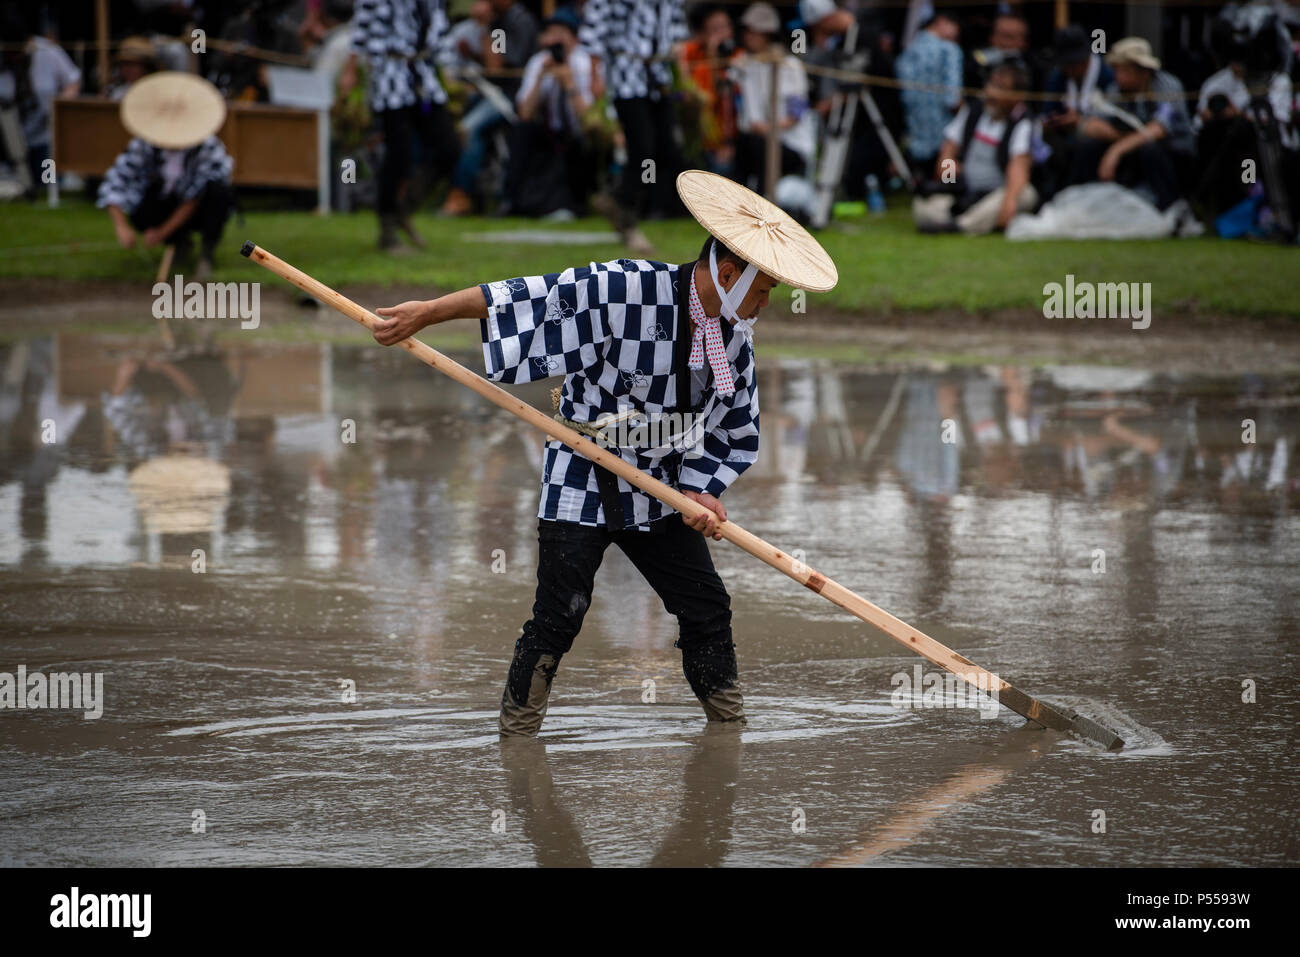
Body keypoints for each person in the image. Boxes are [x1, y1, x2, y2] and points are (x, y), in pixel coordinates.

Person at [367, 170, 839, 736]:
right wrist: (429, 312)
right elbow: (524, 297)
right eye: (763, 290)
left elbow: (732, 427)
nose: (766, 304)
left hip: (663, 489)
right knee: (558, 617)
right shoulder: (626, 287)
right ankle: (517, 735)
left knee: (707, 608)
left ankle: (729, 728)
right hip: (583, 474)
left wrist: (703, 490)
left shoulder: (734, 334)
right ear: (731, 274)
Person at [340, 0, 461, 249]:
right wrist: (350, 69)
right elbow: (361, 27)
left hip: (424, 75)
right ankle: (387, 230)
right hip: (390, 75)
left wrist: (450, 68)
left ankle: (403, 207)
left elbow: (438, 26)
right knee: (398, 155)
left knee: (449, 148)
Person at [97, 73, 234, 279]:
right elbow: (116, 181)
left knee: (218, 192)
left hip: (197, 211)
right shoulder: (145, 145)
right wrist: (121, 227)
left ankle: (206, 253)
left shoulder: (208, 147)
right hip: (163, 204)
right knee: (140, 204)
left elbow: (194, 197)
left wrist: (162, 232)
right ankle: (179, 244)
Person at [580, 0, 690, 256]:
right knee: (642, 149)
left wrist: (682, 75)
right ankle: (626, 212)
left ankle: (619, 200)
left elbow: (675, 31)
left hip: (660, 74)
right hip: (626, 75)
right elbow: (594, 28)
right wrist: (595, 74)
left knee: (669, 148)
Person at [1069, 37, 1194, 211]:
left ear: (1142, 71)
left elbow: (1159, 129)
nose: (1118, 76)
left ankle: (1169, 207)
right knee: (1088, 145)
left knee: (1150, 148)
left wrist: (1117, 150)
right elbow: (1089, 125)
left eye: (1124, 70)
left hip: (1174, 155)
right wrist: (1122, 140)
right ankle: (1084, 204)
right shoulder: (1115, 90)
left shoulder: (1167, 86)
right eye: (1117, 70)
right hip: (1133, 150)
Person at [912, 60, 1037, 234]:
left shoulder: (1022, 123)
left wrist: (1008, 203)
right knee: (923, 206)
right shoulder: (973, 110)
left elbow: (1019, 166)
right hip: (966, 191)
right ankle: (959, 221)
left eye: (1000, 88)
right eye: (991, 83)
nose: (991, 92)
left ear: (1017, 96)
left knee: (1025, 194)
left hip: (997, 193)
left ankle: (962, 226)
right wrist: (950, 177)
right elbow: (948, 151)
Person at [441, 0, 539, 216]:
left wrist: (486, 26)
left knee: (469, 128)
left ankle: (461, 195)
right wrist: (473, 54)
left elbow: (496, 66)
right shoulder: (502, 21)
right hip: (490, 93)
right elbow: (493, 63)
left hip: (512, 98)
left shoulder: (518, 21)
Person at [503, 7, 595, 217]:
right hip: (549, 135)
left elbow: (588, 119)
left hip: (579, 135)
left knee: (583, 143)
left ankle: (576, 202)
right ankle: (512, 200)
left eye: (560, 34)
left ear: (573, 38)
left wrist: (570, 85)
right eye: (550, 34)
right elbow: (525, 113)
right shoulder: (539, 62)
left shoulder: (585, 64)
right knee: (520, 132)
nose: (554, 41)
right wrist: (541, 78)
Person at [730, 3, 816, 191]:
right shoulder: (746, 66)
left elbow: (796, 114)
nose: (749, 36)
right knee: (746, 143)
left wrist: (769, 128)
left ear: (768, 34)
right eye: (747, 31)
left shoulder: (790, 65)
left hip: (792, 145)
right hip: (758, 140)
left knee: (757, 144)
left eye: (755, 31)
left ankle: (761, 201)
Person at [895, 10, 963, 172]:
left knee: (922, 186)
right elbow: (952, 100)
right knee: (947, 182)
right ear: (942, 21)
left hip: (916, 138)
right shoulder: (949, 50)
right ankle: (949, 189)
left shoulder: (908, 51)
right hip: (944, 138)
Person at [678, 5, 740, 174]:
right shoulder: (696, 58)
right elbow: (704, 98)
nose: (723, 34)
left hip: (730, 143)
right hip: (700, 142)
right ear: (703, 34)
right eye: (715, 29)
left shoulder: (738, 57)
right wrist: (713, 58)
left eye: (726, 27)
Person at [104, 36, 158, 101]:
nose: (127, 70)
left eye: (132, 65)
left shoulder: (159, 91)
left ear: (146, 67)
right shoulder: (115, 92)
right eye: (123, 65)